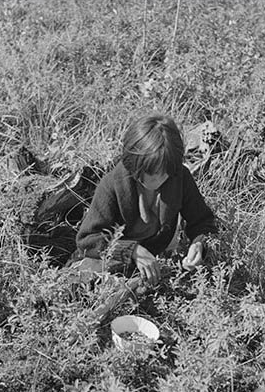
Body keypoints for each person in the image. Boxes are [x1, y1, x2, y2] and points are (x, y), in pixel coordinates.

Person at [74, 114, 217, 285]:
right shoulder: (112, 184)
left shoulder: (179, 177)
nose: (158, 179)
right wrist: (131, 251)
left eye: (165, 172)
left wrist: (198, 244)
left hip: (154, 266)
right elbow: (87, 240)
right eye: (151, 172)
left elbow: (203, 221)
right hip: (106, 266)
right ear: (135, 164)